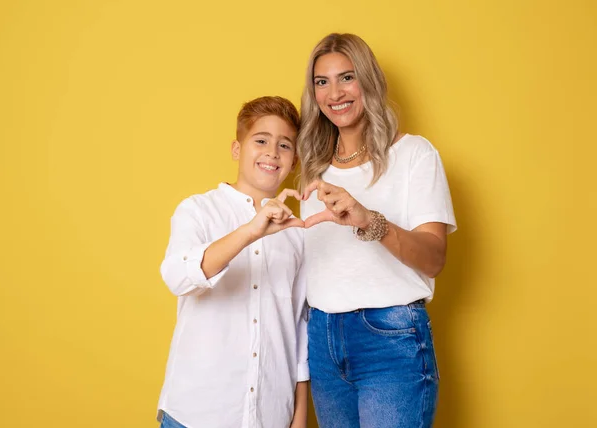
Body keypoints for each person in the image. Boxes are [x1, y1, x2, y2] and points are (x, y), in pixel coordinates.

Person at [297, 33, 457, 428]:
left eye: (347, 77)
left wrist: (370, 221)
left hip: (389, 337)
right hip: (322, 338)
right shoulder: (311, 168)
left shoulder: (414, 155)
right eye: (322, 81)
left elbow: (435, 258)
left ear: (368, 80)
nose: (335, 92)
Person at [157, 96, 309, 428]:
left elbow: (299, 331)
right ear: (237, 150)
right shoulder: (197, 210)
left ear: (294, 161)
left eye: (284, 145)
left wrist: (299, 419)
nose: (272, 152)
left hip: (271, 417)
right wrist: (251, 231)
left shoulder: (298, 236)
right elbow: (177, 277)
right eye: (261, 141)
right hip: (196, 414)